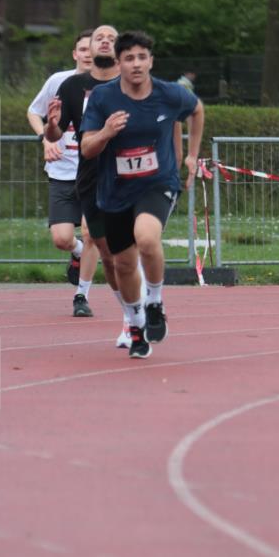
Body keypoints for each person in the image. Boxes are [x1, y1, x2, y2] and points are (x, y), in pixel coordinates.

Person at [80, 30, 204, 359]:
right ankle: (135, 324)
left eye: (142, 58)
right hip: (115, 190)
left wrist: (191, 155)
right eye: (129, 58)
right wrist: (106, 132)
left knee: (147, 239)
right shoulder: (103, 98)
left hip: (157, 182)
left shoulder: (169, 94)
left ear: (151, 61)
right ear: (119, 63)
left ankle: (156, 301)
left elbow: (197, 110)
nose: (136, 64)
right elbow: (87, 148)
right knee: (122, 263)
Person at [44, 25, 143, 347]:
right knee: (108, 256)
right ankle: (131, 313)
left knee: (127, 251)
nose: (102, 41)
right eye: (97, 37)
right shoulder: (73, 86)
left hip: (126, 177)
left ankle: (136, 314)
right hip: (88, 177)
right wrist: (52, 127)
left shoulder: (132, 83)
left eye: (111, 38)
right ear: (87, 47)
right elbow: (58, 136)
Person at [27, 30, 100, 317]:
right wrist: (45, 140)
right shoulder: (59, 82)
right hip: (61, 170)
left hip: (93, 172)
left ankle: (81, 295)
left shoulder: (109, 86)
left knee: (91, 232)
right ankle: (78, 254)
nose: (87, 53)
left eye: (91, 48)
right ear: (75, 54)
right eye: (82, 49)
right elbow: (34, 112)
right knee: (61, 238)